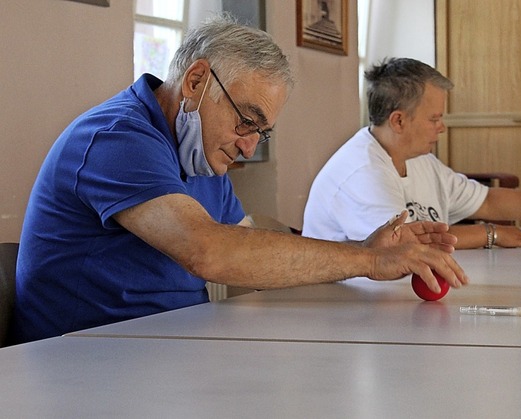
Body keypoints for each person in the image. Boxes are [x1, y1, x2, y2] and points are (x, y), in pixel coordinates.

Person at [12, 19, 468, 345]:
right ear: (195, 81)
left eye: (261, 132)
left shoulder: (202, 152)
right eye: (246, 122)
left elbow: (249, 248)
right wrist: (365, 260)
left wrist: (367, 246)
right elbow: (210, 251)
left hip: (167, 348)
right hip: (82, 363)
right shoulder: (117, 138)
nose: (249, 147)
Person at [302, 57, 521, 249]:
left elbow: (487, 200)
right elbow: (405, 242)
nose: (441, 128)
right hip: (350, 313)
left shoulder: (421, 160)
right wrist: (491, 234)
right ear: (398, 120)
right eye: (434, 119)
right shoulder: (363, 172)